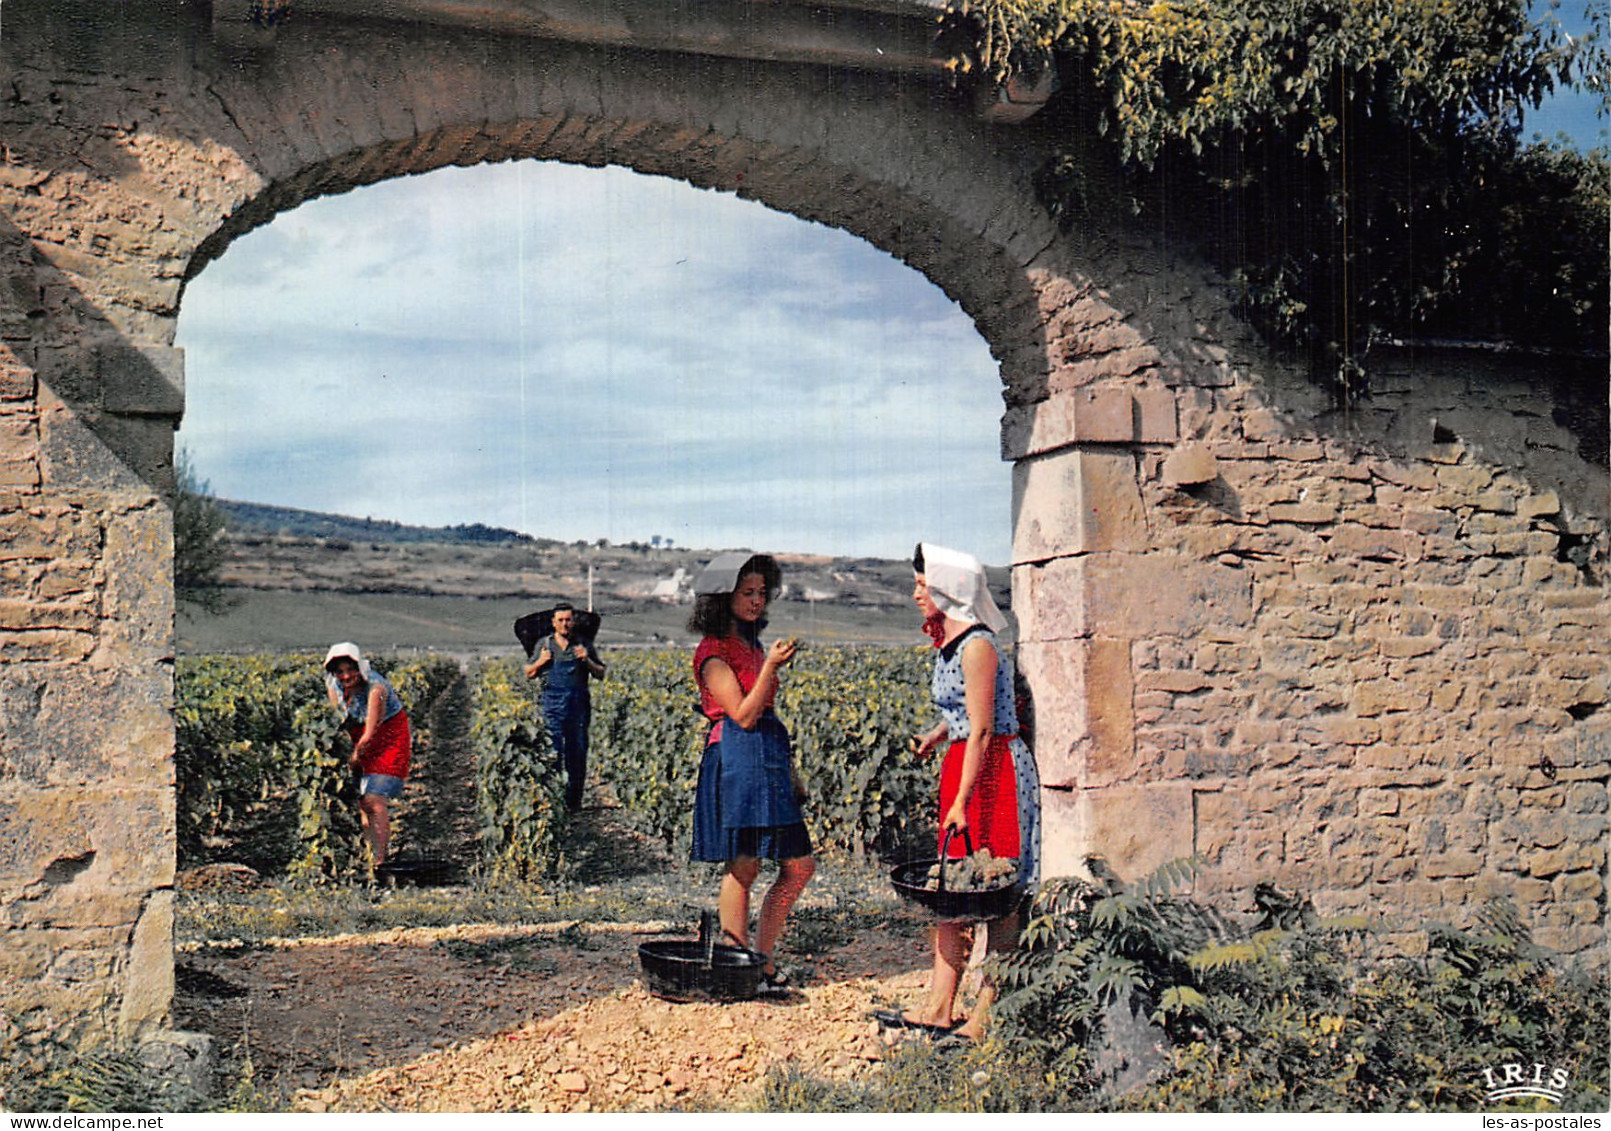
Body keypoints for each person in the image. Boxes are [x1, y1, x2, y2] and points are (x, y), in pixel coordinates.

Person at [875, 543, 1042, 1041]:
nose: (916, 594)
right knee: (952, 886)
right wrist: (936, 734)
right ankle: (939, 1004)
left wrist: (962, 802)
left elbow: (986, 730)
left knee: (997, 890)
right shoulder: (952, 645)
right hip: (966, 765)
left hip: (993, 775)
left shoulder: (978, 647)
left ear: (949, 590)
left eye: (923, 585)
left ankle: (987, 1014)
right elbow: (964, 716)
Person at [688, 551, 816, 992]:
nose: (757, 601)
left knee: (799, 865)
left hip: (767, 754)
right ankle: (738, 964)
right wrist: (772, 670)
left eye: (762, 593)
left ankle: (760, 956)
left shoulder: (751, 646)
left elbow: (765, 711)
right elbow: (741, 714)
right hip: (738, 757)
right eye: (748, 593)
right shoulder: (713, 652)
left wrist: (791, 772)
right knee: (744, 866)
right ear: (724, 598)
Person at [323, 642, 412, 868]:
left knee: (374, 798)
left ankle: (380, 860)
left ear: (359, 668)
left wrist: (353, 758)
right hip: (357, 737)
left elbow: (371, 732)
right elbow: (340, 722)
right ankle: (369, 855)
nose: (345, 676)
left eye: (349, 670)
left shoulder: (376, 689)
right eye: (340, 671)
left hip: (388, 737)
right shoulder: (332, 685)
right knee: (362, 800)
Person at [524, 602, 607, 811]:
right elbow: (529, 672)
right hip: (552, 703)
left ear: (573, 621)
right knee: (553, 752)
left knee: (577, 753)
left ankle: (573, 802)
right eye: (560, 620)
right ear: (553, 623)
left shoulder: (583, 644)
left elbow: (601, 673)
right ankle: (552, 800)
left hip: (578, 705)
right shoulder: (544, 645)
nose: (565, 624)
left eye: (568, 620)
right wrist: (541, 661)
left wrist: (586, 660)